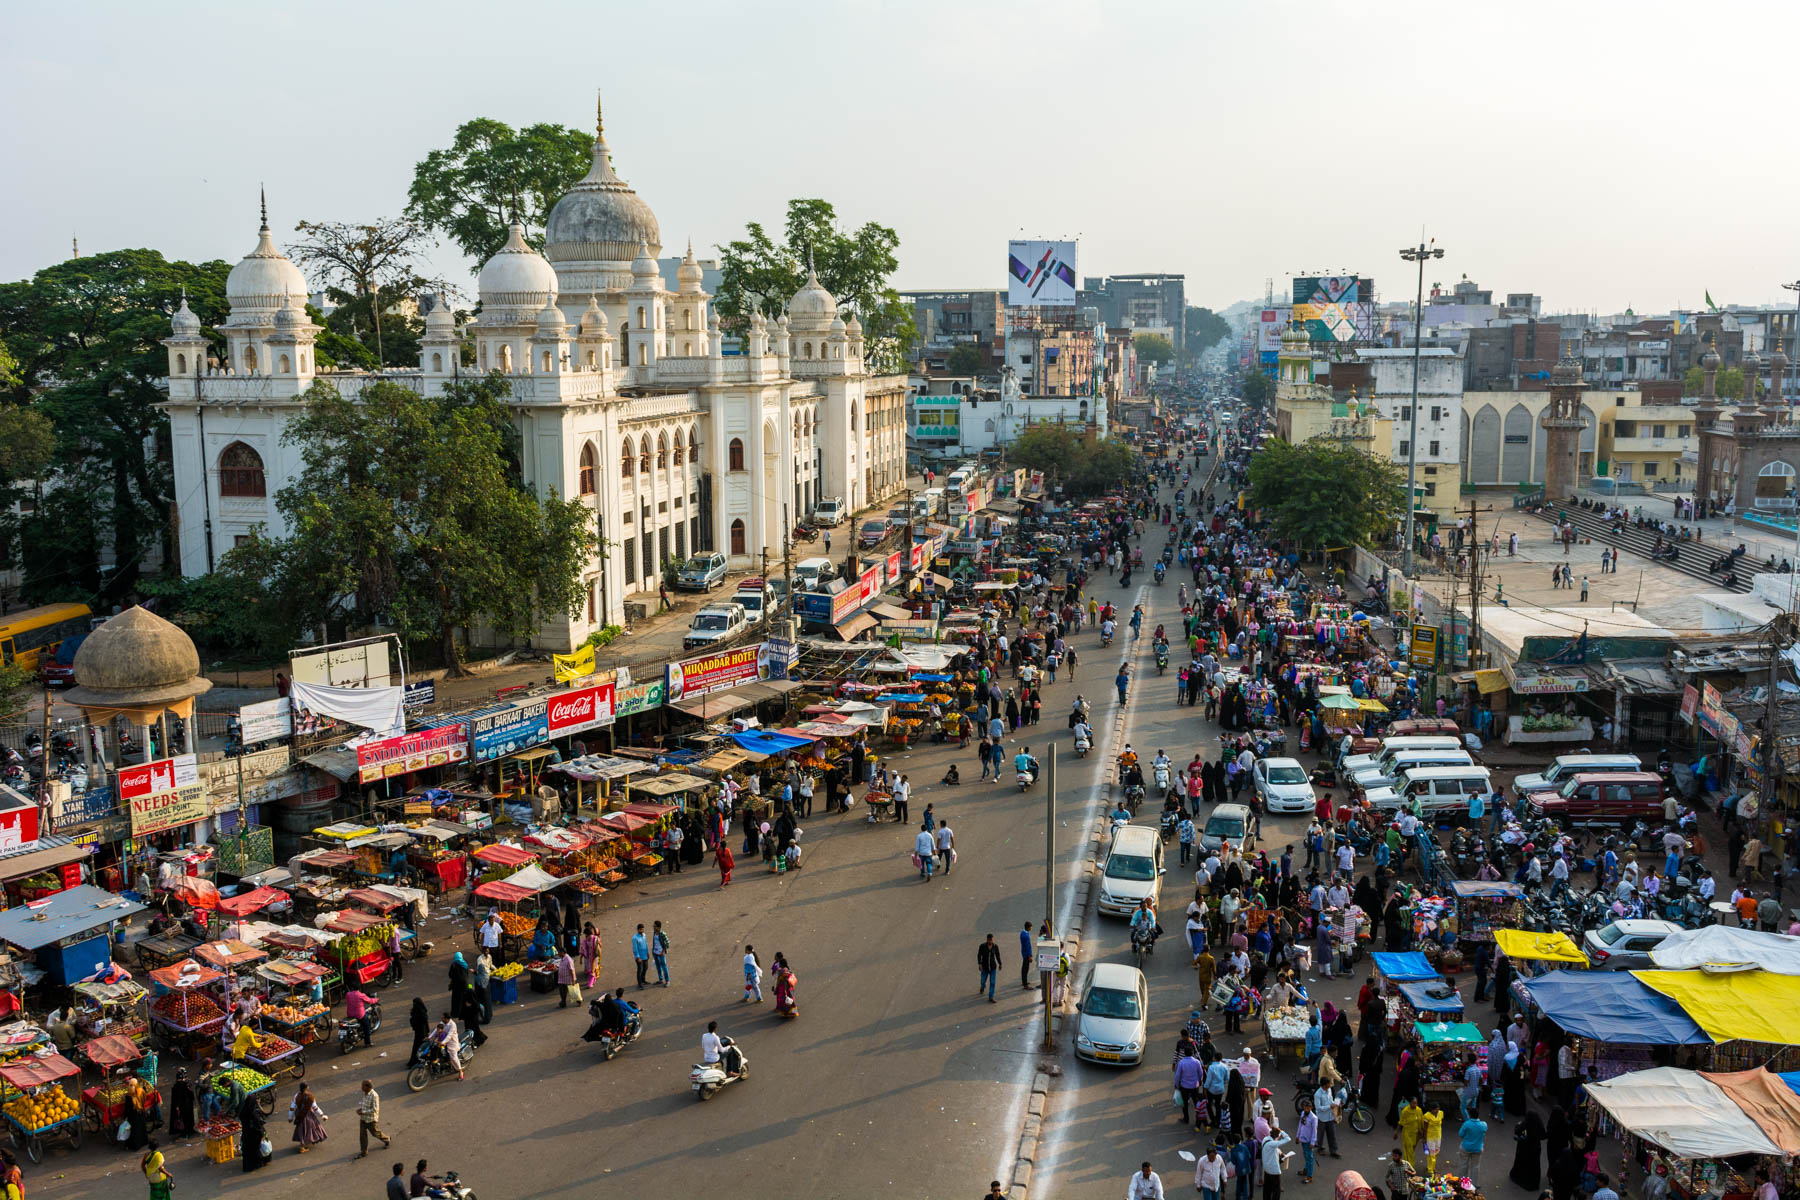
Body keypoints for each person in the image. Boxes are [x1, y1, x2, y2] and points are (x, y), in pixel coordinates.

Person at [1510, 1109, 1545, 1190]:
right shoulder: (1539, 1125)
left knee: (1522, 1163)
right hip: (1535, 1148)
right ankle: (1532, 1183)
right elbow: (1543, 1136)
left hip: (1524, 1148)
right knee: (1533, 1166)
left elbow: (1517, 1131)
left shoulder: (1526, 1123)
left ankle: (1519, 1178)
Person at [355, 1079, 390, 1157]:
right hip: (363, 1118)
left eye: (362, 1086)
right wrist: (360, 1109)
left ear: (367, 1087)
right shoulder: (365, 1093)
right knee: (362, 1136)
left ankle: (387, 1139)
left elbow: (375, 1109)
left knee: (375, 1133)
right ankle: (364, 1152)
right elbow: (365, 1104)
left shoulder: (374, 1095)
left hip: (371, 1120)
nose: (361, 1087)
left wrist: (363, 1112)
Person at [289, 1081, 326, 1152]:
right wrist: (322, 1115)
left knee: (301, 1129)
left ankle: (307, 1142)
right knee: (312, 1127)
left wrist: (290, 1117)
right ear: (306, 1088)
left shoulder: (296, 1095)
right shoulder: (310, 1096)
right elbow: (315, 1108)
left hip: (299, 1114)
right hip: (307, 1115)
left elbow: (292, 1107)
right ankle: (303, 1147)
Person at [428, 1014, 464, 1081]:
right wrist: (429, 1037)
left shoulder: (453, 1025)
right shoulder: (443, 1022)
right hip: (443, 1040)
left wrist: (443, 1042)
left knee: (453, 1057)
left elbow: (449, 1036)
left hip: (452, 1042)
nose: (441, 1018)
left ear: (447, 1019)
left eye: (443, 1018)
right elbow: (436, 1029)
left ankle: (460, 1071)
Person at [1460, 1111, 1488, 1184]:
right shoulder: (1484, 1125)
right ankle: (1474, 1184)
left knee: (1464, 1165)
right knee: (1475, 1166)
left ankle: (1463, 1183)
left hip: (1466, 1148)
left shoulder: (1467, 1124)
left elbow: (1460, 1134)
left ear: (1469, 1115)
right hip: (1477, 1149)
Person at [977, 934, 1002, 1002]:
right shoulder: (982, 946)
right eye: (989, 940)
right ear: (987, 939)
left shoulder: (995, 947)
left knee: (992, 982)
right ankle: (982, 987)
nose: (990, 941)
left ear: (993, 939)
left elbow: (997, 956)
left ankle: (991, 996)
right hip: (984, 967)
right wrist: (979, 964)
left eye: (991, 940)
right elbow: (979, 955)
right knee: (983, 980)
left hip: (993, 967)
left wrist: (1000, 964)